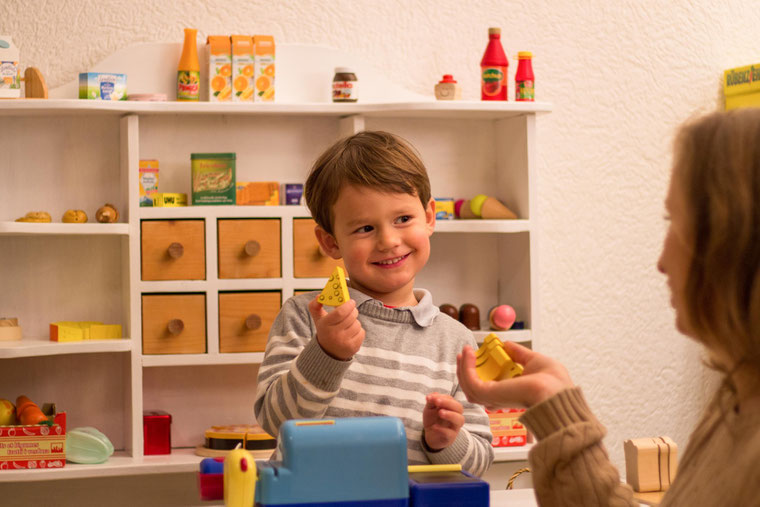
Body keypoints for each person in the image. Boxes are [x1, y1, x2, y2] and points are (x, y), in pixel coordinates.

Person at [457, 108, 760, 506]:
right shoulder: (738, 398)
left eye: (676, 223)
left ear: (734, 246)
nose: (661, 262)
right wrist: (554, 401)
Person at [254, 130, 494, 476]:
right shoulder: (307, 317)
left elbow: (479, 463)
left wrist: (445, 441)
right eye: (365, 228)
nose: (388, 241)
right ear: (330, 241)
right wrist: (326, 354)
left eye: (402, 219)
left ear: (429, 217)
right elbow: (275, 421)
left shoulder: (456, 342)